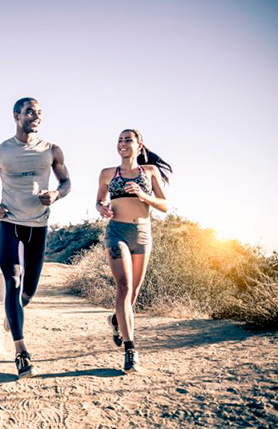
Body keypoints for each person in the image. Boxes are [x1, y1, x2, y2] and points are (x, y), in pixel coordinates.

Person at [0, 97, 70, 378]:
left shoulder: (51, 150)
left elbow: (66, 182)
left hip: (38, 227)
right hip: (9, 224)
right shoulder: (0, 151)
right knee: (13, 282)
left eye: (40, 112)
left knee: (28, 291)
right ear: (17, 115)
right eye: (31, 111)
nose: (36, 116)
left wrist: (55, 194)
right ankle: (21, 352)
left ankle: (13, 314)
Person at [95, 128, 172, 373]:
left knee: (134, 293)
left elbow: (165, 206)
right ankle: (130, 351)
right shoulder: (108, 173)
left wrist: (144, 196)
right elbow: (98, 201)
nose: (123, 143)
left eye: (128, 140)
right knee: (124, 287)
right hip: (116, 233)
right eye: (119, 140)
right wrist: (102, 209)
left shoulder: (150, 172)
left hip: (142, 234)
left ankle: (116, 320)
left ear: (139, 145)